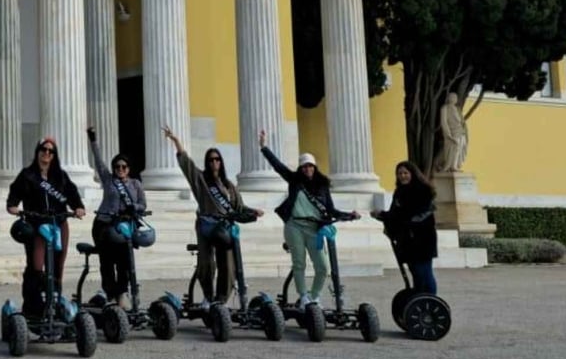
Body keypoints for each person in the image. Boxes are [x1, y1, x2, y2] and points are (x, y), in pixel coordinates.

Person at [257, 129, 362, 309]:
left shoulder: (322, 185)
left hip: (315, 229)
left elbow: (331, 210)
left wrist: (350, 216)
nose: (307, 169)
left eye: (310, 166)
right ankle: (303, 296)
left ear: (315, 167)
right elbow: (278, 166)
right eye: (304, 166)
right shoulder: (294, 180)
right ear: (300, 168)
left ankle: (314, 296)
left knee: (323, 266)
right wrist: (264, 147)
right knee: (299, 263)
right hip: (294, 226)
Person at [162, 125, 259, 305]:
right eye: (211, 160)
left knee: (228, 265)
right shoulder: (201, 179)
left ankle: (221, 300)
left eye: (217, 159)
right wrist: (175, 141)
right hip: (206, 226)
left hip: (225, 228)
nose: (214, 162)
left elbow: (239, 207)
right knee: (206, 264)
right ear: (207, 162)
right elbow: (187, 164)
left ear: (221, 162)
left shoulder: (229, 185)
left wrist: (254, 211)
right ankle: (207, 296)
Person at [5, 137, 86, 317]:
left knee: (57, 265)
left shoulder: (60, 176)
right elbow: (14, 193)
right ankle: (33, 305)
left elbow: (72, 194)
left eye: (51, 151)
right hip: (37, 224)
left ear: (54, 155)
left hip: (59, 223)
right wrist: (12, 206)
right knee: (36, 266)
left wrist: (78, 207)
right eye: (43, 149)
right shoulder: (27, 175)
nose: (46, 153)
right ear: (38, 152)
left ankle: (54, 302)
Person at [85, 124, 147, 307]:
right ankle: (110, 293)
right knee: (106, 261)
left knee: (124, 261)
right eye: (117, 166)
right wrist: (93, 140)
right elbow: (98, 161)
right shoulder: (108, 179)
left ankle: (122, 292)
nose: (120, 169)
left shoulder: (135, 184)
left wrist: (133, 207)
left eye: (123, 166)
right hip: (104, 224)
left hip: (125, 226)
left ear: (129, 169)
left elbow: (143, 205)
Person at [373, 161, 439, 294]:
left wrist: (386, 216)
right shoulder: (399, 192)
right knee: (415, 273)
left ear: (413, 174)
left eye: (405, 173)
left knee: (424, 273)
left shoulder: (423, 191)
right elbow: (395, 214)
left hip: (422, 239)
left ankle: (430, 299)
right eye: (400, 173)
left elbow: (412, 215)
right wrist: (381, 215)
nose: (402, 176)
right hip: (407, 240)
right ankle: (419, 297)